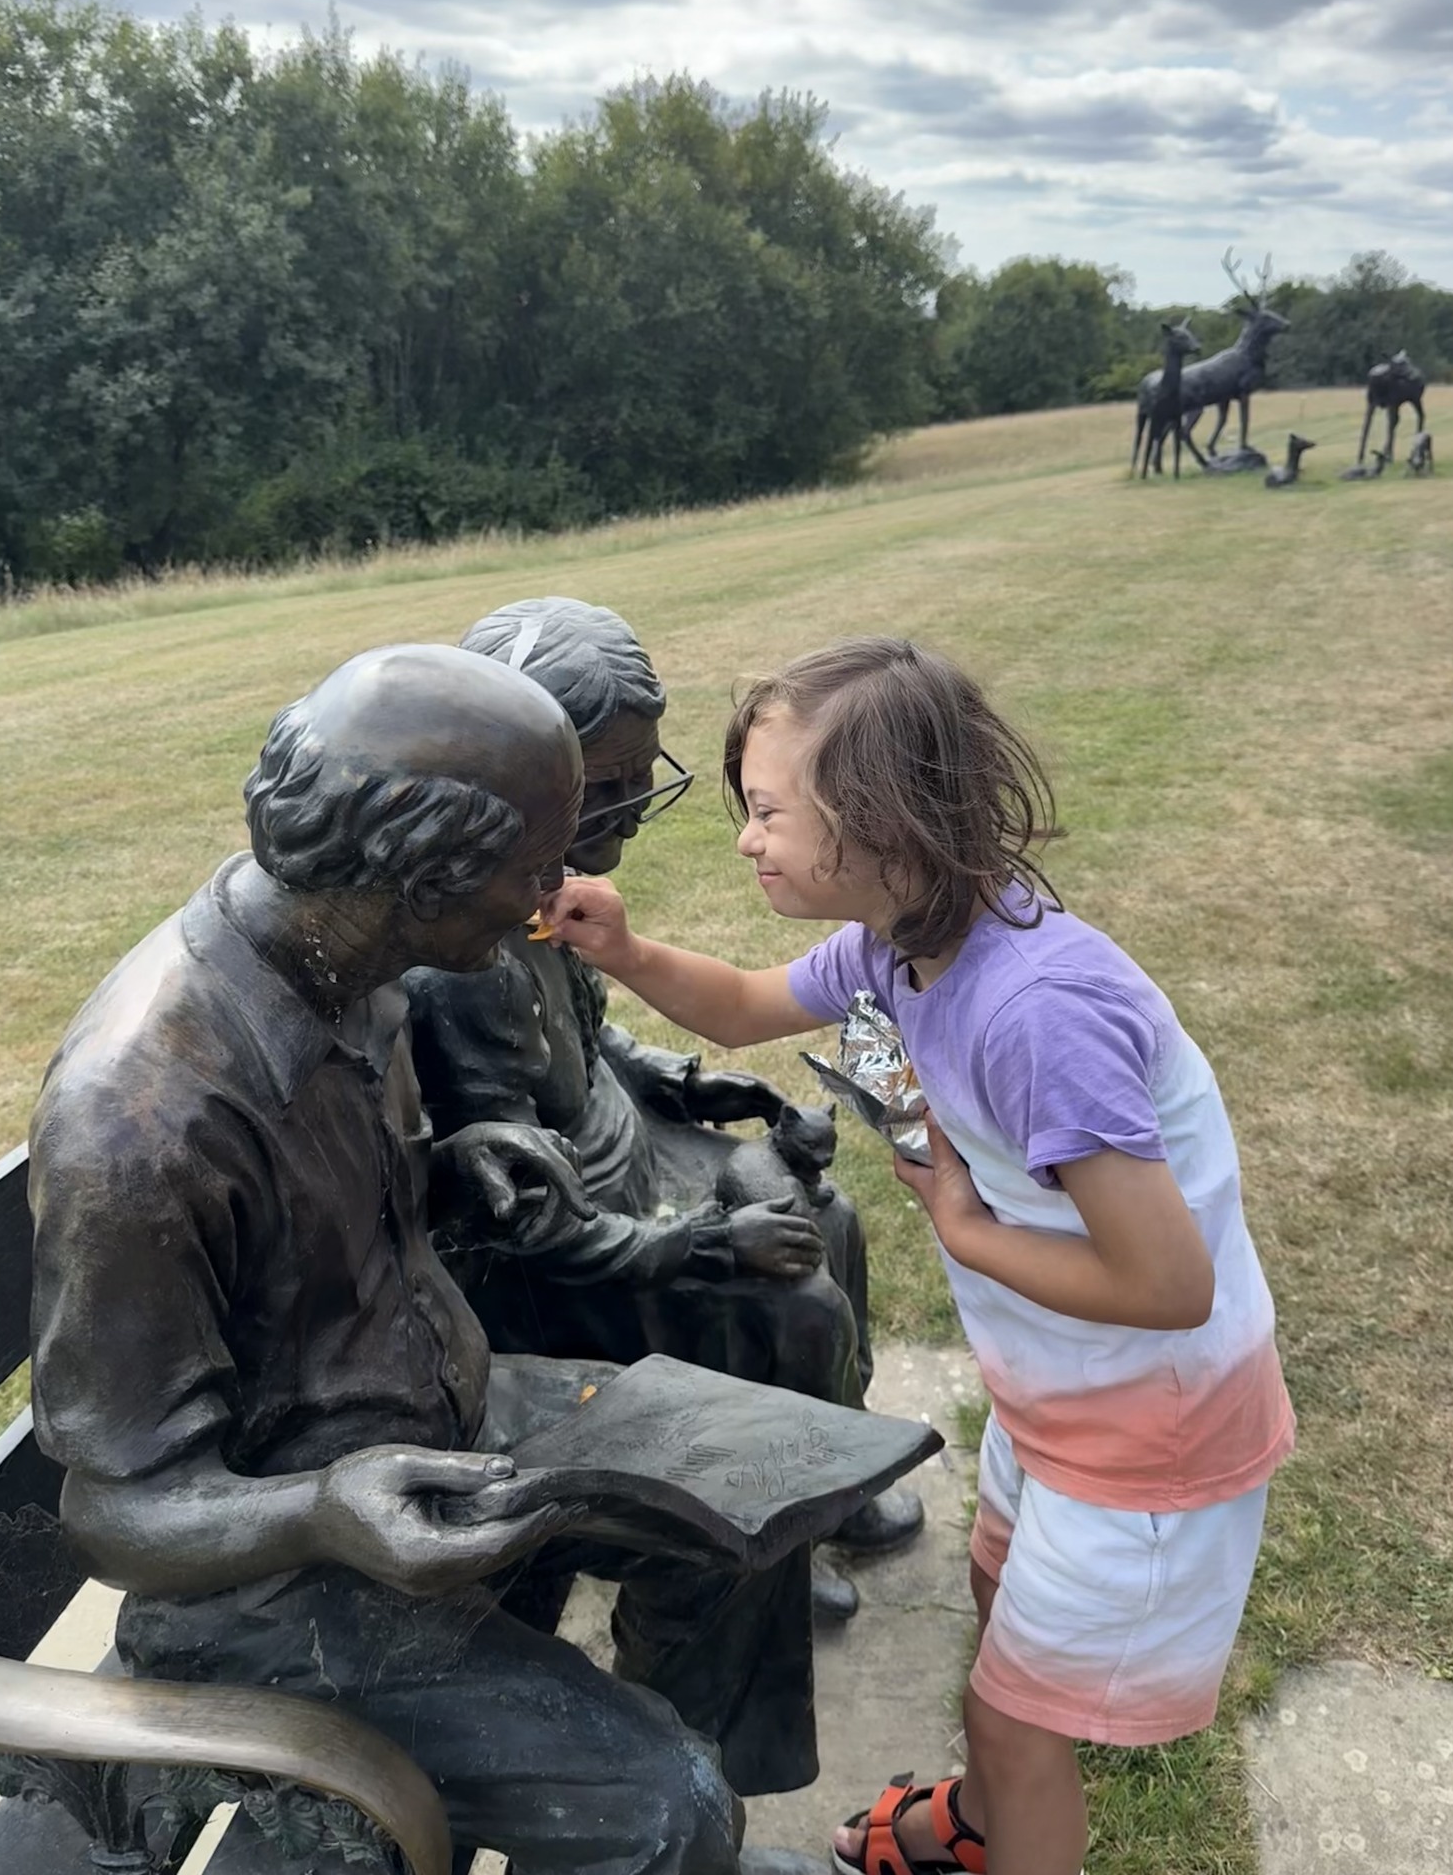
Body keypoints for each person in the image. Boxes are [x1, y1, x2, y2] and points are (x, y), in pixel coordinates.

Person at [27, 643, 830, 1875]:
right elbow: (117, 1511)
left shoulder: (351, 964)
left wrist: (450, 1161)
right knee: (660, 1802)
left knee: (760, 1496)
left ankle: (685, 1840)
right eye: (532, 865)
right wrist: (324, 1511)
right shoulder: (144, 1121)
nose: (552, 891)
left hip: (456, 1432)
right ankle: (673, 1831)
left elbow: (315, 1237)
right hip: (277, 1582)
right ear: (419, 872)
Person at [536, 637, 1297, 1875]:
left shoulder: (1037, 1009)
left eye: (770, 810)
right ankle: (980, 1822)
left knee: (1018, 1713)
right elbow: (742, 1001)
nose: (746, 838)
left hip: (1150, 1435)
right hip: (1056, 1403)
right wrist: (620, 948)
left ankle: (1009, 1826)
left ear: (881, 817)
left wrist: (968, 1230)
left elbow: (1170, 1284)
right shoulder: (901, 946)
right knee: (999, 1617)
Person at [403, 599, 921, 1619]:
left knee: (837, 1223)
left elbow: (587, 1042)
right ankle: (770, 1528)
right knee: (796, 1303)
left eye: (643, 769)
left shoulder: (542, 893)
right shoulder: (462, 963)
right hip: (575, 1267)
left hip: (635, 1165)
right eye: (606, 783)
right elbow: (525, 1219)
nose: (639, 801)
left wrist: (686, 1082)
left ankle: (831, 1471)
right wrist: (708, 1245)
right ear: (515, 785)